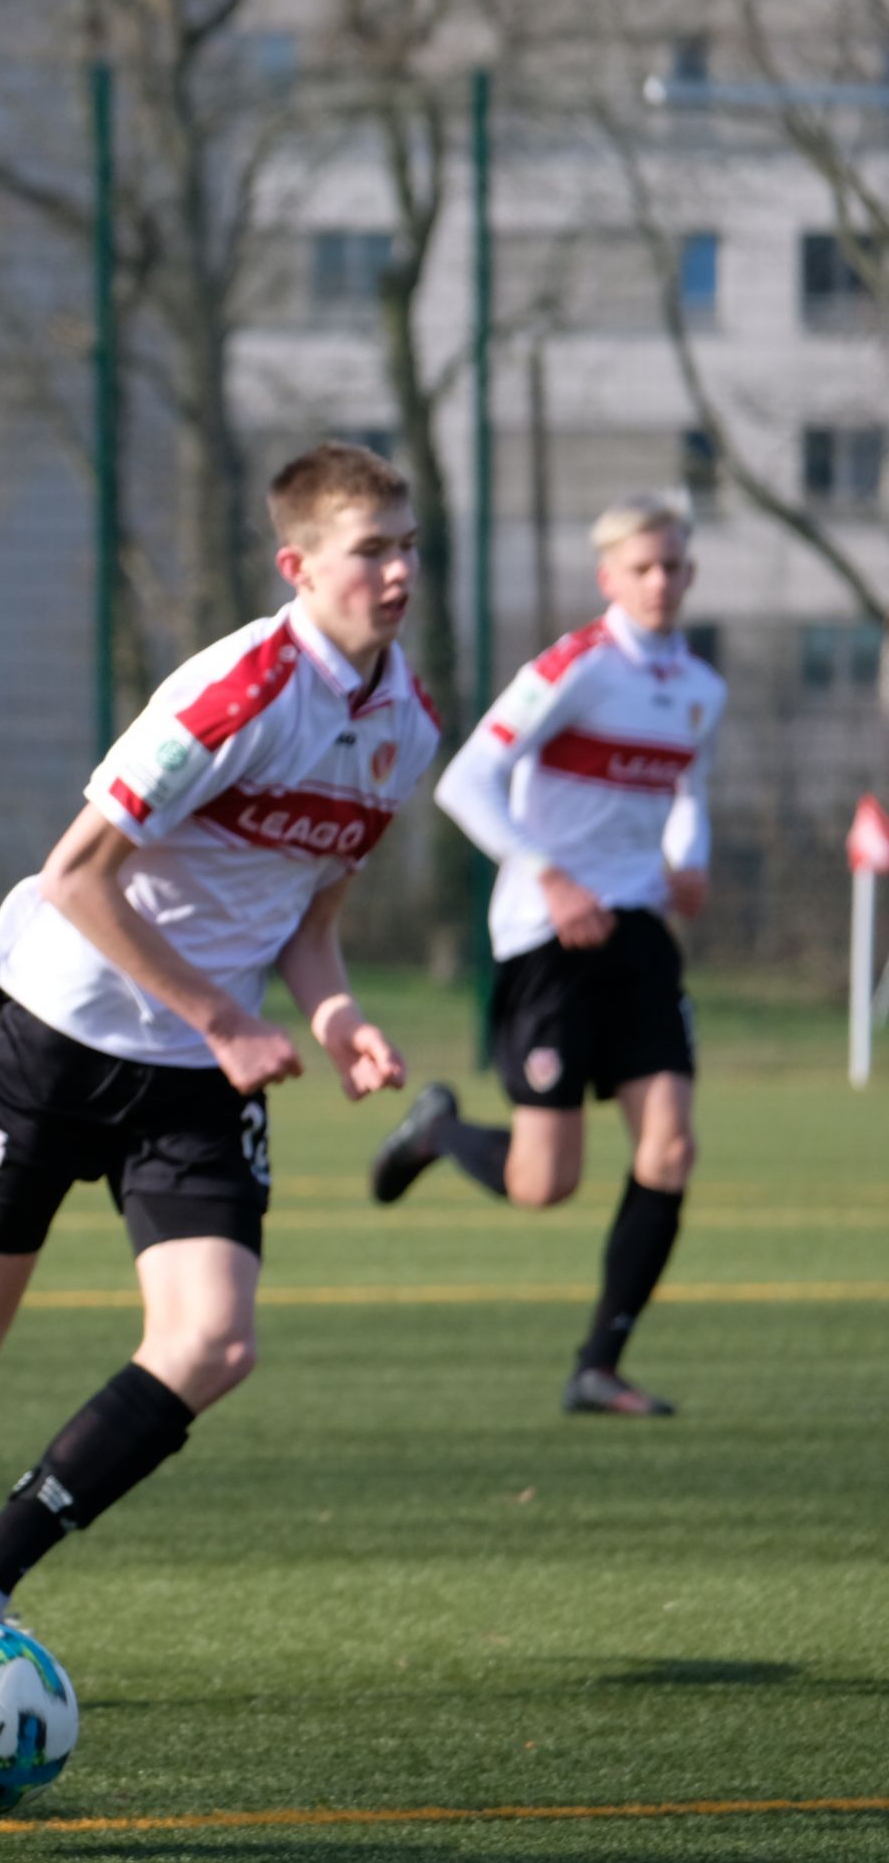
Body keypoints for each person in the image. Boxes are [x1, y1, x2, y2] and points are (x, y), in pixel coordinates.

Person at [0, 442, 441, 1647]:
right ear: (299, 567)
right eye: (369, 551)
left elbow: (310, 921)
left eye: (408, 546)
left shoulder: (407, 728)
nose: (397, 573)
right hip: (60, 1024)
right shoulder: (232, 693)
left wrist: (338, 1021)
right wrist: (225, 1016)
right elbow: (76, 879)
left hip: (195, 1072)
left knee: (215, 1341)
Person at [370, 496, 725, 1417]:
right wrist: (552, 875)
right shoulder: (577, 666)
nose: (661, 581)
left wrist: (689, 858)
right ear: (610, 578)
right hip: (547, 935)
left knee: (671, 1145)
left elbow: (685, 787)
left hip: (639, 929)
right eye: (643, 568)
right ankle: (440, 1130)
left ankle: (599, 1365)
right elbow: (466, 783)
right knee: (545, 1181)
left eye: (675, 566)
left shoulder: (698, 685)